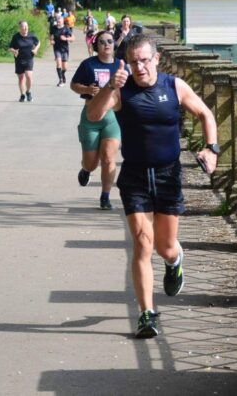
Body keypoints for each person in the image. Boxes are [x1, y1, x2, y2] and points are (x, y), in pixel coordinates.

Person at [87, 34, 219, 339]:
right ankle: (147, 314)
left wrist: (212, 148)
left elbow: (205, 114)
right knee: (143, 244)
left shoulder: (174, 86)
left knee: (165, 247)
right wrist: (111, 86)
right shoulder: (121, 90)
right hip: (134, 176)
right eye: (133, 62)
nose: (139, 67)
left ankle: (175, 261)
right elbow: (93, 116)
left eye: (145, 60)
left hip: (168, 175)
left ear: (156, 59)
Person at [70, 31, 125, 210]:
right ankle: (86, 170)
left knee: (109, 158)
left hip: (113, 117)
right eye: (102, 42)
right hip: (91, 115)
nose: (106, 44)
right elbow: (74, 85)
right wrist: (86, 89)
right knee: (91, 162)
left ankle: (105, 196)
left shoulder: (121, 66)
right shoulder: (88, 64)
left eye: (110, 41)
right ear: (96, 46)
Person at [9, 20, 40, 102]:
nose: (25, 28)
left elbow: (38, 42)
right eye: (23, 26)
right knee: (21, 79)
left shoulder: (32, 36)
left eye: (26, 26)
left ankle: (28, 92)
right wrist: (14, 51)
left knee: (29, 76)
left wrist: (35, 50)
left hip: (29, 59)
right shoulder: (16, 37)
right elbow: (10, 48)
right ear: (20, 28)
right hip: (19, 60)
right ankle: (22, 95)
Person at [50, 15, 75, 87]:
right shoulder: (53, 28)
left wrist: (66, 39)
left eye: (59, 21)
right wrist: (51, 40)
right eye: (57, 21)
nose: (58, 22)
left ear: (62, 21)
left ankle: (62, 74)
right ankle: (60, 80)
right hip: (57, 49)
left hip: (65, 49)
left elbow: (73, 38)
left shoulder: (66, 28)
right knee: (58, 63)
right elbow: (51, 36)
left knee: (65, 67)